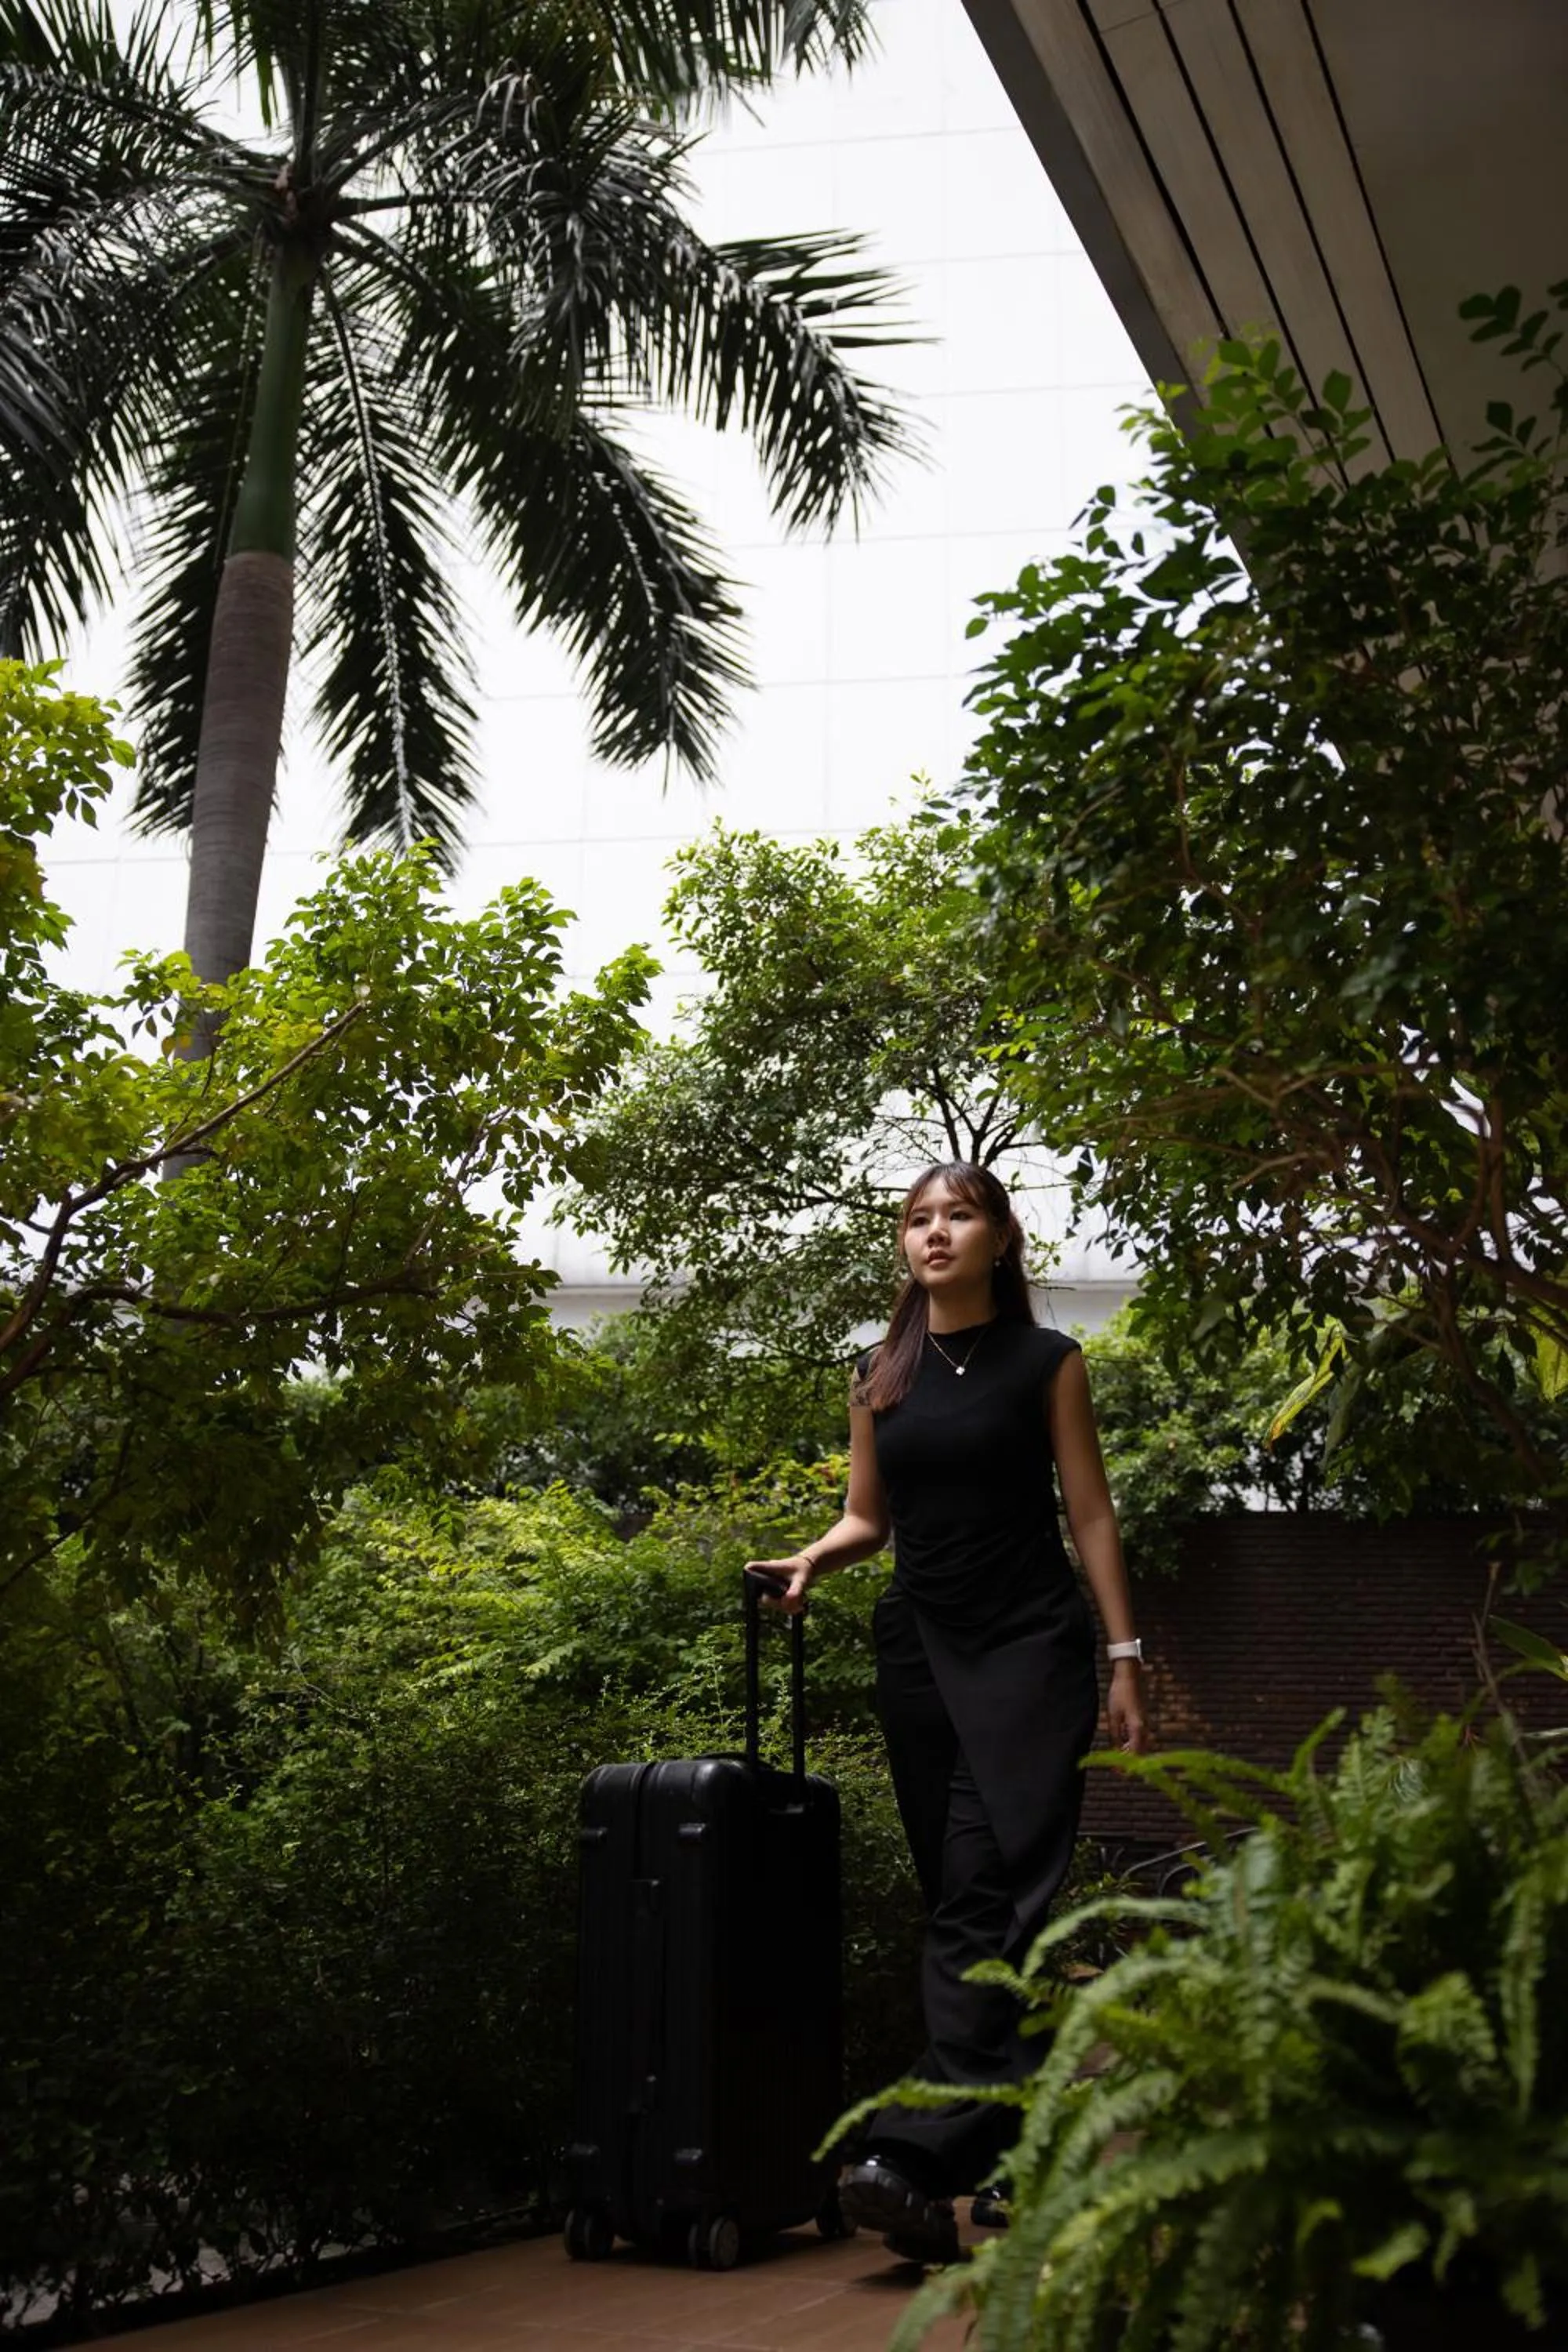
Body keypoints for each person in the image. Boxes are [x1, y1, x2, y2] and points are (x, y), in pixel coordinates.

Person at [746, 1160, 1149, 2263]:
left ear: (1002, 1238)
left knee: (980, 1897)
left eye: (957, 1216)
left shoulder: (1047, 1365)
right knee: (971, 1908)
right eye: (917, 1221)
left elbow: (1093, 1517)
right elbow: (866, 1516)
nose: (934, 1235)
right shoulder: (882, 1370)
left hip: (1029, 1652)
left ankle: (909, 2158)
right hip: (920, 1654)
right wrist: (816, 1558)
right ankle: (1021, 2149)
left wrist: (1124, 1656)